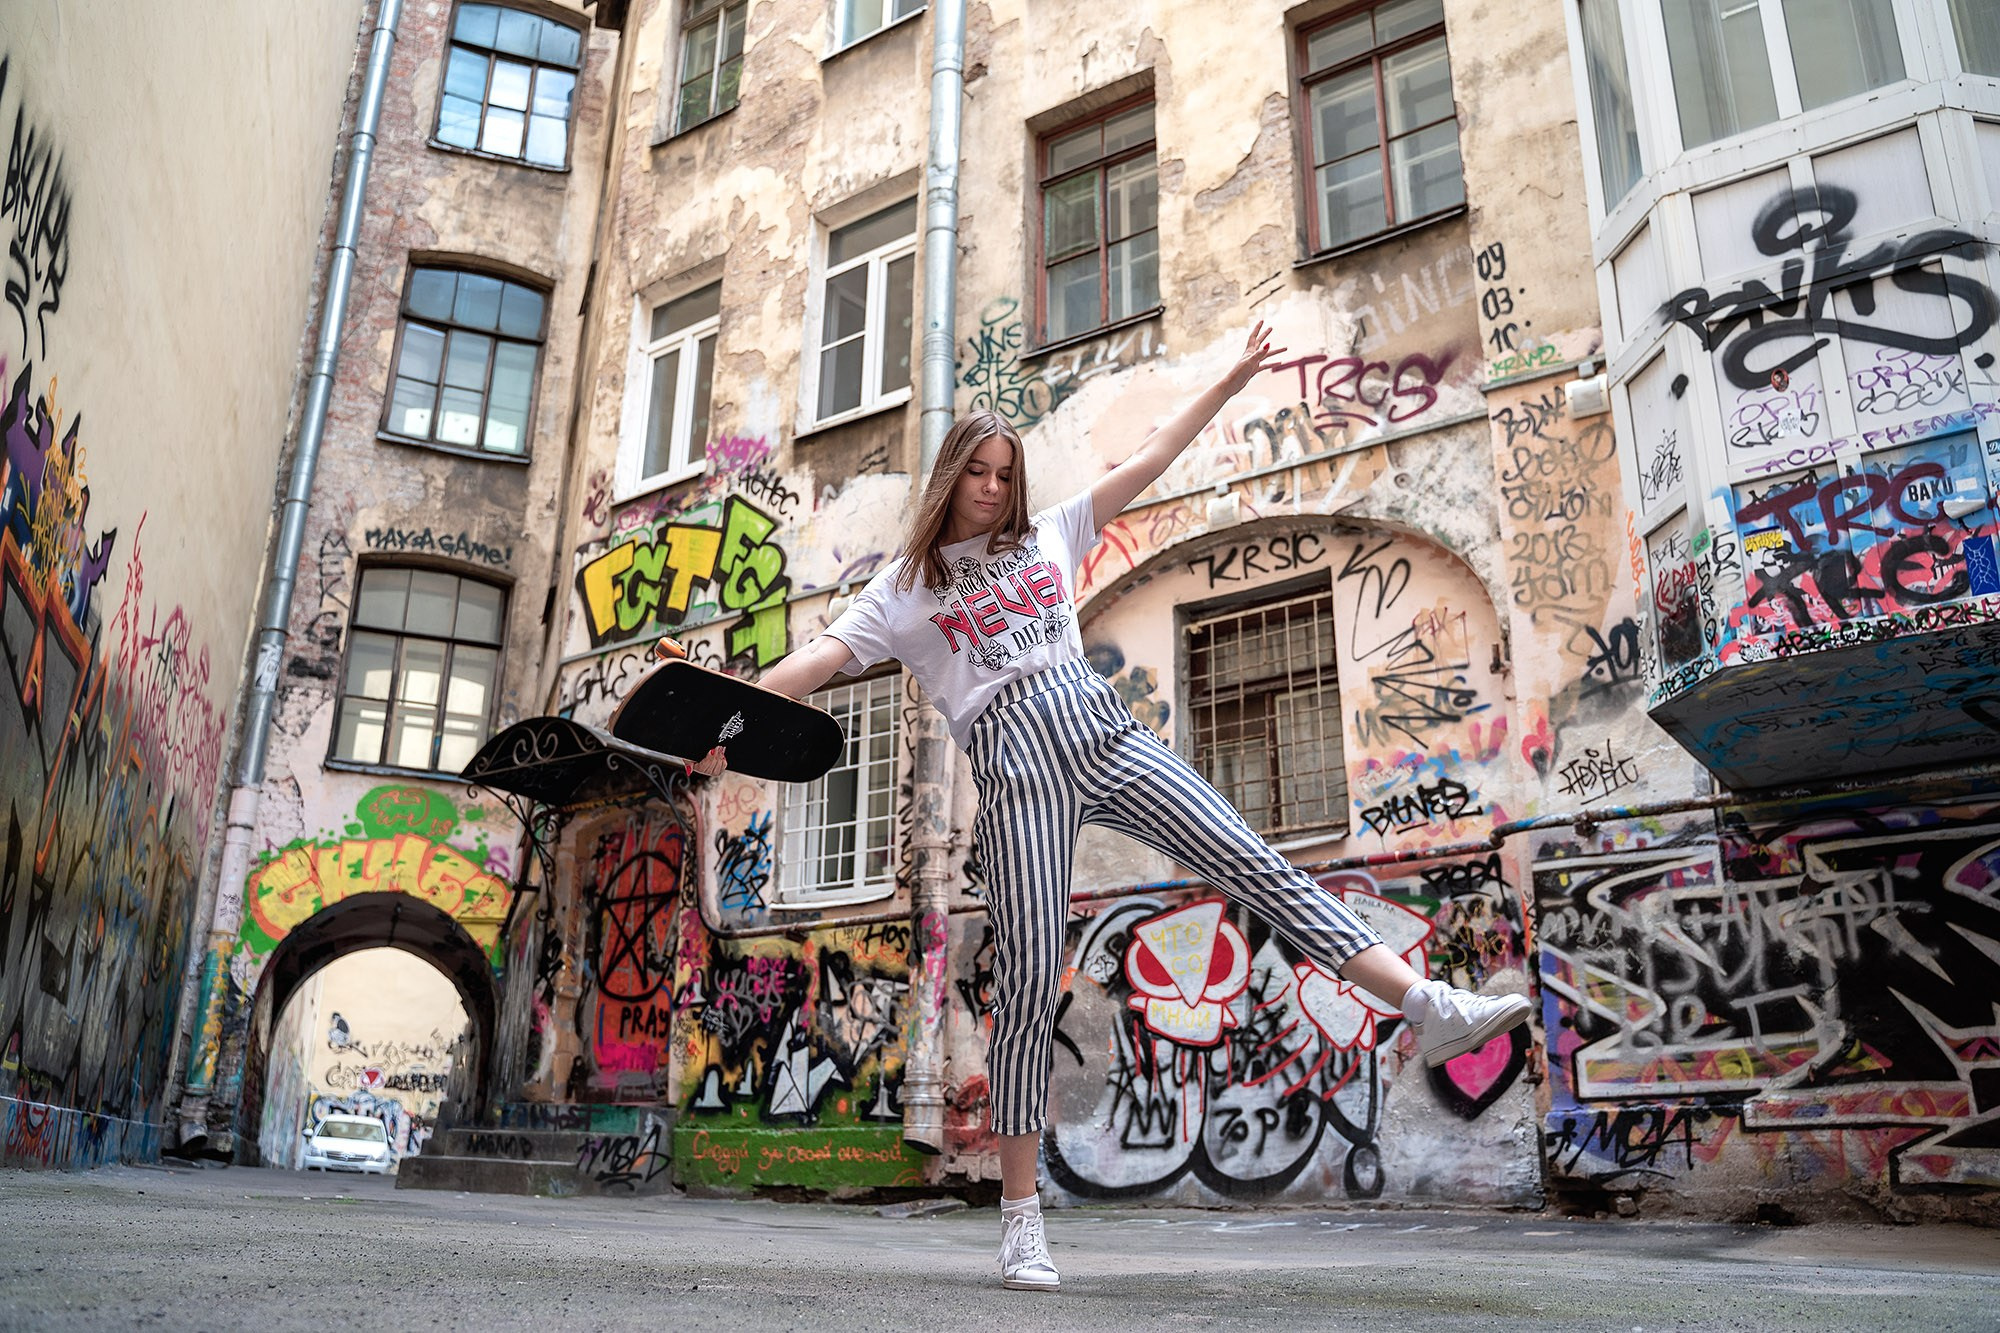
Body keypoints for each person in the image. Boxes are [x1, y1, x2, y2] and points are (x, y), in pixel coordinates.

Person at [671, 321, 1531, 1291]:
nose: (993, 489)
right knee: (1033, 985)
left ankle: (1426, 1004)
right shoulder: (905, 589)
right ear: (950, 474)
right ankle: (1021, 1219)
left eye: (1005, 473)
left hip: (1102, 730)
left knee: (1253, 858)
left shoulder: (1050, 532)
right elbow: (822, 659)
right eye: (978, 473)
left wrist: (1230, 376)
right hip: (1017, 769)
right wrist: (730, 715)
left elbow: (1154, 456)